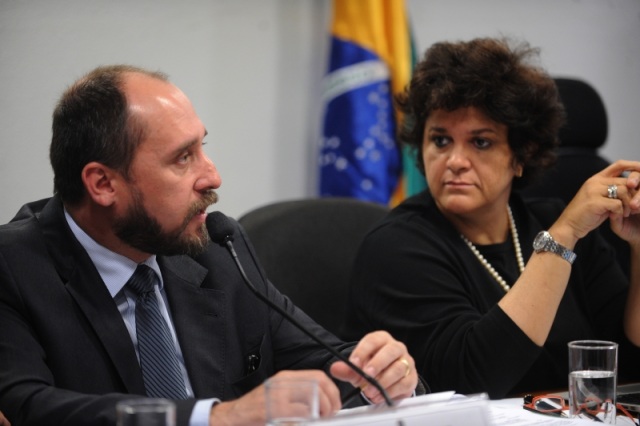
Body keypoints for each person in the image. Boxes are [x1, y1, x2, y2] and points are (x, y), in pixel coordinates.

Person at [0, 65, 421, 426]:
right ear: (103, 183)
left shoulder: (217, 248)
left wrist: (380, 375)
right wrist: (216, 417)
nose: (212, 176)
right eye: (182, 158)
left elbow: (329, 363)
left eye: (203, 146)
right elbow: (29, 407)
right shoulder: (14, 268)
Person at [343, 37, 640, 399]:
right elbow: (474, 377)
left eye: (480, 142)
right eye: (440, 140)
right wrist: (562, 236)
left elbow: (629, 356)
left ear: (521, 155)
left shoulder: (548, 220)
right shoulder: (395, 246)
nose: (454, 161)